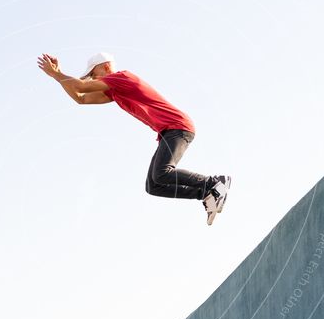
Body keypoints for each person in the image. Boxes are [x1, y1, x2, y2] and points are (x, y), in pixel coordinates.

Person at [37, 51, 230, 225]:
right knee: (153, 185)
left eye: (94, 74)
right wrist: (58, 76)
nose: (93, 79)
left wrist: (56, 74)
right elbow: (81, 98)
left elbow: (80, 87)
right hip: (167, 132)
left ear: (106, 67)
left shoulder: (122, 77)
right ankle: (206, 193)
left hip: (177, 126)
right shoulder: (114, 91)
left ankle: (214, 182)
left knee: (162, 173)